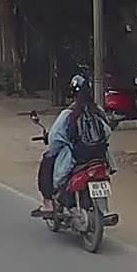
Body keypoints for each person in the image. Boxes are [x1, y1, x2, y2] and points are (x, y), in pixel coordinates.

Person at [33, 75, 117, 217]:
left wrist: (53, 149)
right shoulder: (98, 111)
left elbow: (55, 138)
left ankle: (48, 204)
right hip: (100, 157)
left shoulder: (68, 114)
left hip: (76, 158)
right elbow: (107, 132)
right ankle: (102, 210)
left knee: (47, 160)